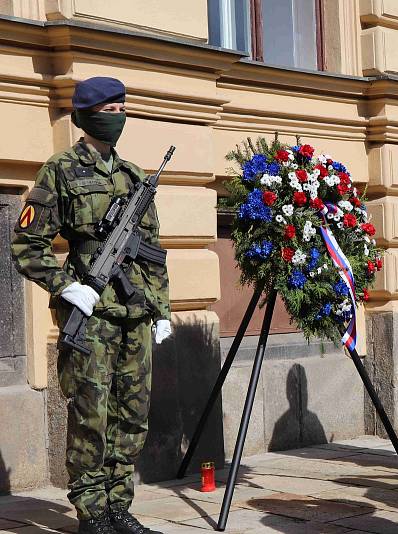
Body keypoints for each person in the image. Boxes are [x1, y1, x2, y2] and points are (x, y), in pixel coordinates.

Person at [12, 77, 172, 534]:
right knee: (90, 417)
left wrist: (160, 307)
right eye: (108, 107)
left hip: (135, 317)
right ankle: (92, 513)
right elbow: (27, 244)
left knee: (132, 417)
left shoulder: (136, 177)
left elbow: (153, 251)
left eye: (123, 106)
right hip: (92, 318)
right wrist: (66, 287)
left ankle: (119, 507)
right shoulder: (59, 170)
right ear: (85, 114)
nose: (117, 115)